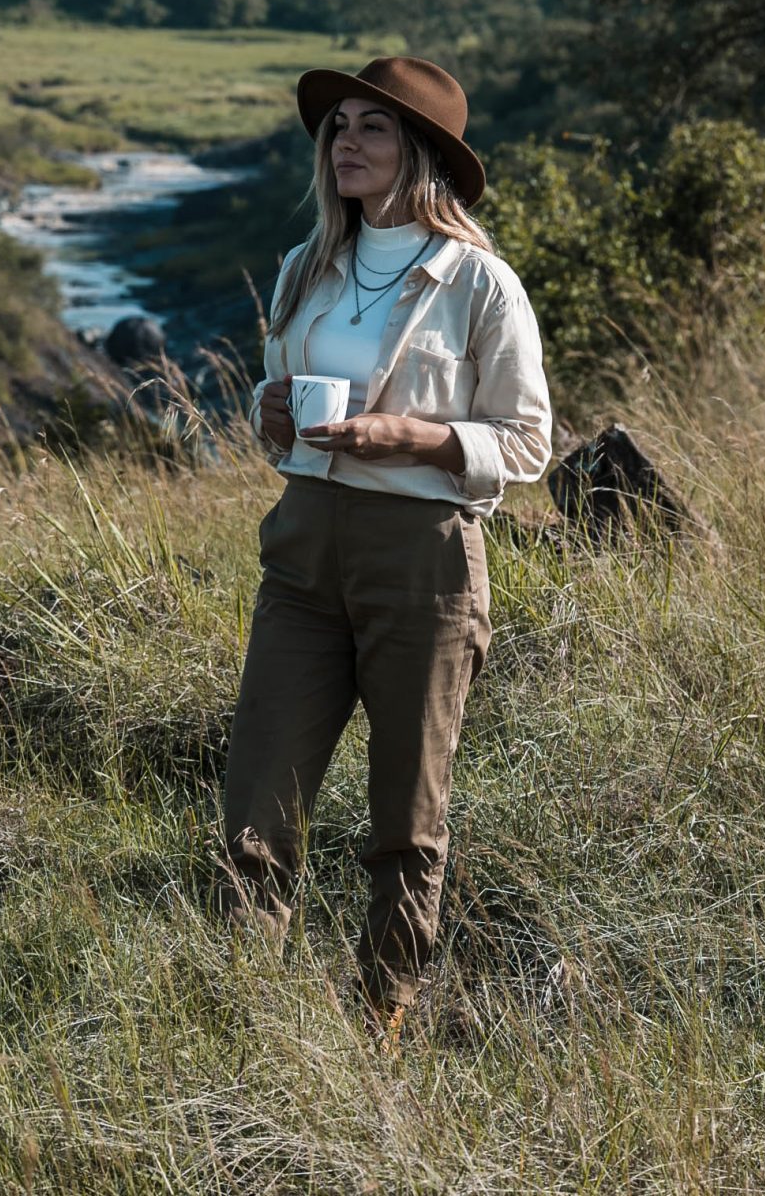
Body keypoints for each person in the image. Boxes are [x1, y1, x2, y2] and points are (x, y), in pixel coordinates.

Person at [219, 55, 552, 1046]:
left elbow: (531, 440)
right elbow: (274, 418)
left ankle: (384, 1021)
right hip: (303, 553)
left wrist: (419, 439)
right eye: (338, 127)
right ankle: (246, 1019)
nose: (346, 143)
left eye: (373, 127)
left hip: (424, 562)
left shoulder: (479, 283)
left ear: (421, 155)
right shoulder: (301, 268)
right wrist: (265, 409)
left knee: (407, 816)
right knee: (255, 805)